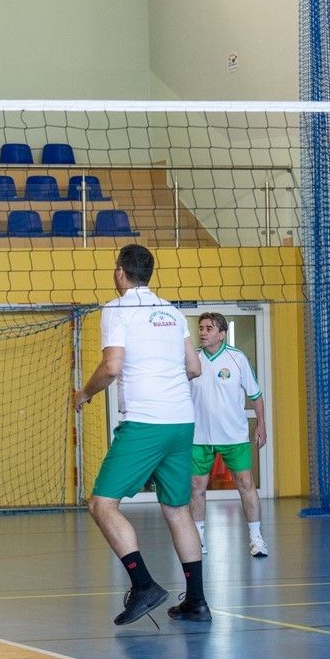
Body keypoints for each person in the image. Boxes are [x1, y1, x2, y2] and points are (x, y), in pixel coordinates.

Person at [73, 244, 208, 625]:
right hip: (181, 421)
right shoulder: (172, 311)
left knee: (102, 504)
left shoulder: (118, 309)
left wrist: (84, 394)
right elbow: (194, 368)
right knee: (178, 509)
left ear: (120, 271)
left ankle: (144, 584)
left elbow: (112, 367)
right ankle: (196, 602)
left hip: (146, 423)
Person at [188, 311, 269, 558]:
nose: (203, 332)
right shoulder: (192, 359)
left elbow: (255, 395)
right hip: (199, 437)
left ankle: (256, 539)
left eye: (209, 328)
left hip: (234, 436)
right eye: (201, 328)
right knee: (196, 487)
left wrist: (261, 424)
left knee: (246, 484)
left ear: (222, 334)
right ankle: (198, 540)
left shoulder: (237, 358)